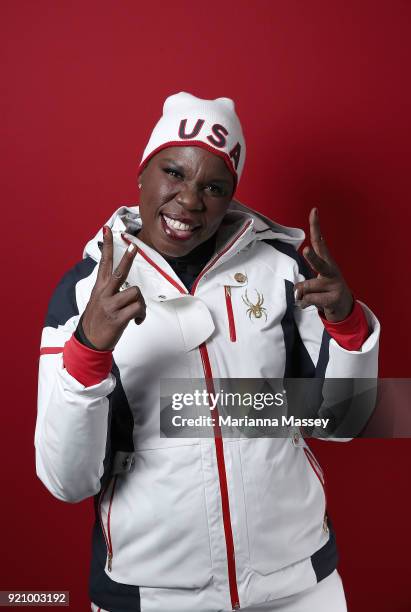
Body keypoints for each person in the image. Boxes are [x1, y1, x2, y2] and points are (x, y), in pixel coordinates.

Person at [35, 92, 380, 612]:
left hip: (299, 583)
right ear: (143, 172)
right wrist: (88, 352)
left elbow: (344, 420)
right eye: (173, 173)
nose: (190, 201)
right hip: (153, 592)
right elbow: (66, 479)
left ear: (230, 195)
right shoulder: (86, 291)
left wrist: (348, 327)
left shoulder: (284, 267)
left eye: (213, 187)